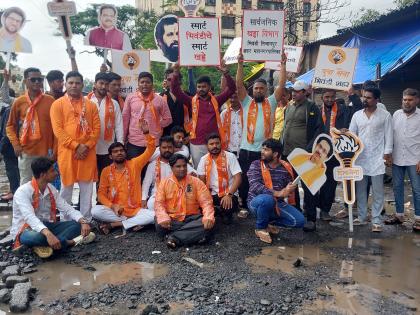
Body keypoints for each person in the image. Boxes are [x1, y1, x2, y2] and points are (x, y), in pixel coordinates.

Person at [10, 157, 95, 259]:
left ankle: (44, 246)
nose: (56, 173)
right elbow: (29, 217)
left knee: (76, 226)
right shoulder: (23, 191)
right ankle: (69, 242)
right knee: (37, 237)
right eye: (52, 171)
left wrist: (83, 221)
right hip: (26, 229)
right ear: (42, 175)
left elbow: (67, 208)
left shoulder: (51, 188)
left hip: (47, 226)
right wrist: (48, 234)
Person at [236, 52, 287, 211]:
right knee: (244, 179)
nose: (258, 91)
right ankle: (244, 205)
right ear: (252, 90)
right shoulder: (246, 102)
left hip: (263, 152)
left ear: (266, 91)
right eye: (256, 88)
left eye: (261, 89)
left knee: (262, 180)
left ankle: (260, 205)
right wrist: (240, 64)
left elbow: (282, 86)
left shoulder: (271, 102)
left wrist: (283, 65)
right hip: (246, 150)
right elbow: (239, 85)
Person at [50, 71, 101, 222]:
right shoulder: (57, 105)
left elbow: (97, 129)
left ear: (82, 85)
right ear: (65, 84)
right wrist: (76, 146)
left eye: (77, 83)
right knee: (66, 188)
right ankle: (66, 221)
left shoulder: (91, 106)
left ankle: (86, 220)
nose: (74, 85)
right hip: (67, 152)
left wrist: (86, 146)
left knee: (86, 188)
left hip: (87, 152)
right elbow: (58, 130)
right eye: (70, 82)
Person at [92, 120, 156, 234]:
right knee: (95, 211)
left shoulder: (135, 164)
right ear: (111, 156)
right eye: (115, 152)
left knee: (154, 215)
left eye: (121, 150)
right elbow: (101, 194)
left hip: (135, 209)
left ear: (125, 153)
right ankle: (134, 222)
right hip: (117, 211)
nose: (119, 153)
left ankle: (116, 224)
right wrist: (113, 206)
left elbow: (151, 149)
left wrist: (146, 133)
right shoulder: (106, 171)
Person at [170, 61, 236, 168]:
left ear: (209, 87)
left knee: (215, 169)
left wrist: (226, 74)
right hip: (196, 143)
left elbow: (232, 89)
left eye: (204, 86)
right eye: (199, 87)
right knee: (199, 170)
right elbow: (175, 90)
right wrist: (176, 72)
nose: (201, 89)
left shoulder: (217, 100)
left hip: (213, 142)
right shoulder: (191, 101)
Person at [281, 80, 324, 232]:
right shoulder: (289, 107)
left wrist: (309, 150)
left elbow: (319, 130)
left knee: (308, 186)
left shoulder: (311, 107)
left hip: (304, 155)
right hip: (288, 153)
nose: (294, 93)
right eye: (293, 90)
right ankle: (296, 213)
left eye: (298, 91)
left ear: (305, 92)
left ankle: (311, 218)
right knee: (292, 185)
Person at [349, 87, 393, 232]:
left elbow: (389, 136)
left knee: (378, 191)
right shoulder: (357, 115)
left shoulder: (385, 115)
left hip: (377, 158)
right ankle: (361, 217)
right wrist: (345, 134)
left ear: (376, 100)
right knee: (361, 190)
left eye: (368, 97)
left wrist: (387, 154)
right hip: (360, 158)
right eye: (364, 97)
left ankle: (376, 220)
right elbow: (352, 135)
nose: (364, 100)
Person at [317, 88, 363, 221]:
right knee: (317, 181)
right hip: (318, 151)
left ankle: (325, 210)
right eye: (327, 97)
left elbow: (359, 108)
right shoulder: (316, 110)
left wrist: (352, 94)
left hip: (336, 153)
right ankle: (313, 209)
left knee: (330, 182)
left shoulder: (343, 110)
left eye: (332, 97)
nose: (329, 99)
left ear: (335, 96)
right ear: (322, 98)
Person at [247, 139, 305, 244]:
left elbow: (287, 189)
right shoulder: (256, 164)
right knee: (267, 199)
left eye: (266, 150)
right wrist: (278, 193)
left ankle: (267, 222)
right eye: (262, 149)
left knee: (300, 221)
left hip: (278, 203)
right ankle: (260, 228)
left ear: (275, 154)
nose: (262, 152)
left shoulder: (285, 167)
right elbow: (255, 186)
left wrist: (289, 189)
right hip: (256, 202)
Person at [6, 67, 56, 184]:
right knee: (26, 184)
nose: (37, 82)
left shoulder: (50, 101)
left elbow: (57, 128)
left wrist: (55, 150)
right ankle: (26, 203)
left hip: (46, 152)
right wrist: (16, 145)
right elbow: (10, 126)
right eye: (33, 79)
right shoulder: (19, 101)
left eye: (39, 79)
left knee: (46, 185)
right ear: (25, 81)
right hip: (26, 151)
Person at [155, 154, 215, 249]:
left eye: (184, 166)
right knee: (159, 223)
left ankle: (173, 238)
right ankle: (192, 236)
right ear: (171, 167)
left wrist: (208, 217)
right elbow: (159, 203)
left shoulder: (196, 182)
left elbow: (206, 202)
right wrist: (163, 217)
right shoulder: (164, 183)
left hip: (192, 218)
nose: (182, 169)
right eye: (178, 166)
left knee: (208, 222)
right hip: (172, 220)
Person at [385, 88, 420, 232]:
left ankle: (418, 219)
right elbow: (390, 135)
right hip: (398, 158)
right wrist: (388, 154)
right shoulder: (396, 115)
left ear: (417, 100)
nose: (406, 102)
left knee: (417, 190)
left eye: (410, 100)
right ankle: (399, 215)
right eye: (404, 99)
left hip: (415, 159)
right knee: (397, 187)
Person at [122, 72, 172, 159]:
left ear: (152, 84)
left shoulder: (160, 100)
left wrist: (156, 125)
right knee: (136, 170)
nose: (145, 84)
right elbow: (125, 119)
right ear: (138, 84)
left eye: (148, 82)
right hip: (134, 142)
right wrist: (123, 138)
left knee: (153, 170)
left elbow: (168, 119)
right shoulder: (130, 98)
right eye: (142, 82)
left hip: (153, 142)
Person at [197, 133, 242, 224]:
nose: (215, 146)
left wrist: (229, 194)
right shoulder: (203, 159)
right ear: (207, 146)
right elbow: (201, 181)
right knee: (197, 208)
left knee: (227, 215)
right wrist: (204, 197)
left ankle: (224, 213)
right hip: (211, 193)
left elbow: (238, 178)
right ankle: (216, 211)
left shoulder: (230, 156)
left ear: (220, 143)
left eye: (217, 143)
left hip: (228, 193)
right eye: (211, 144)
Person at [142, 135, 195, 211]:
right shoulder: (152, 165)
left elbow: (193, 174)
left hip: (178, 194)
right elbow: (146, 183)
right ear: (159, 149)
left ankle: (163, 216)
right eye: (164, 148)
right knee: (151, 204)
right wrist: (143, 198)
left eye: (170, 147)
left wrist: (193, 175)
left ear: (174, 148)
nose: (167, 150)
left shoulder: (179, 162)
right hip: (158, 195)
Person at [87, 72, 123, 179]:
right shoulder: (86, 101)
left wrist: (119, 145)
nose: (103, 86)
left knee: (105, 179)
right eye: (101, 83)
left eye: (106, 84)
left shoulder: (114, 103)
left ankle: (101, 196)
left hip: (107, 149)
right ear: (95, 84)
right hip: (88, 148)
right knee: (86, 180)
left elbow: (119, 125)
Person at [0, 69, 19, 200]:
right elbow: (5, 95)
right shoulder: (17, 102)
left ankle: (16, 192)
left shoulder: (45, 100)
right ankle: (15, 190)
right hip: (8, 142)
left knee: (15, 169)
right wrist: (6, 80)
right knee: (12, 169)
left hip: (17, 143)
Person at [161, 68, 195, 136]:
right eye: (169, 79)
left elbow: (194, 117)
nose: (172, 81)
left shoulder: (188, 96)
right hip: (166, 136)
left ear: (179, 80)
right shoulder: (161, 97)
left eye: (174, 78)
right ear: (166, 81)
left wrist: (189, 135)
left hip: (184, 136)